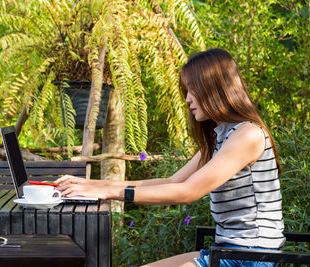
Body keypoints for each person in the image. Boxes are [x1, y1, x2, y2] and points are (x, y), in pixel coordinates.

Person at [55, 48, 285, 267]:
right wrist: (94, 185)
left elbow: (187, 192)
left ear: (215, 88)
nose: (187, 99)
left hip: (251, 258)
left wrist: (111, 193)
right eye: (187, 91)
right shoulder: (221, 136)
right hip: (228, 252)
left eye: (193, 90)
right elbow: (174, 182)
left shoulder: (248, 135)